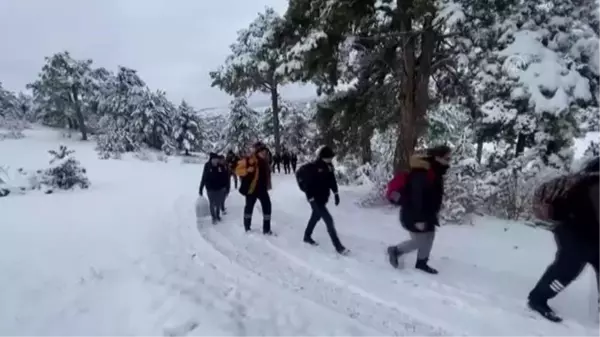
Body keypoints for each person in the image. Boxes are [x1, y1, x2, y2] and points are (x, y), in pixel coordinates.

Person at [527, 157, 600, 322]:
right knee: (566, 271)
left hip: (592, 236)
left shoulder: (586, 182)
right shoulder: (595, 186)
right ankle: (537, 299)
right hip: (575, 235)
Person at [386, 145, 452, 274]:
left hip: (427, 213)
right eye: (447, 158)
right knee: (419, 241)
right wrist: (419, 219)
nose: (449, 160)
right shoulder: (422, 173)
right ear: (437, 158)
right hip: (413, 214)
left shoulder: (435, 171)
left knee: (429, 236)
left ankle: (422, 264)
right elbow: (417, 198)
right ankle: (395, 250)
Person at [296, 146, 348, 255]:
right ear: (323, 157)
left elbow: (332, 180)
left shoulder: (329, 167)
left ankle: (307, 236)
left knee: (316, 216)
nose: (330, 159)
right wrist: (310, 196)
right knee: (328, 220)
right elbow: (307, 183)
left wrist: (336, 193)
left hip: (323, 198)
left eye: (331, 158)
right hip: (314, 198)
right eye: (329, 157)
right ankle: (338, 246)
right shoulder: (313, 167)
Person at [235, 142, 273, 234]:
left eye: (265, 152)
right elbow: (237, 170)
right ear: (257, 152)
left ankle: (266, 229)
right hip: (251, 189)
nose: (264, 153)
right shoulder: (249, 160)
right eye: (262, 152)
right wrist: (246, 170)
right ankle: (247, 227)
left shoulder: (266, 161)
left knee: (267, 206)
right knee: (249, 208)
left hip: (262, 189)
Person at [199, 152, 229, 224]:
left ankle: (218, 215)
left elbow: (225, 177)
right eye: (214, 159)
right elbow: (204, 177)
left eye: (217, 159)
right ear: (211, 159)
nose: (216, 161)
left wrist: (226, 187)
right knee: (212, 203)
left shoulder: (220, 166)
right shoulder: (207, 166)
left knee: (218, 203)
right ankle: (213, 217)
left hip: (219, 188)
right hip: (210, 189)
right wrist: (201, 188)